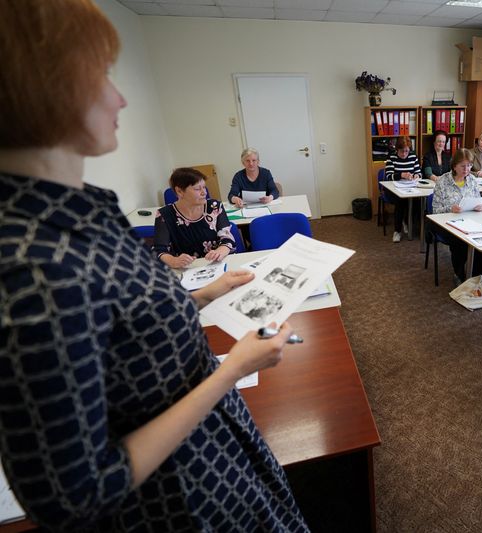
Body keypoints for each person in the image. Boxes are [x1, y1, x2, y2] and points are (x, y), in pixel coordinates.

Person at [0, 2, 307, 531]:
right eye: (100, 76)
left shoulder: (82, 211)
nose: (118, 97)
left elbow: (117, 334)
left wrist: (206, 296)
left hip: (216, 460)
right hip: (179, 502)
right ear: (43, 87)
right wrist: (233, 368)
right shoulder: (30, 265)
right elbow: (75, 495)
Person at [154, 167, 236, 268]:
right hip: (186, 270)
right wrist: (174, 261)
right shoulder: (164, 215)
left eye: (204, 187)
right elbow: (159, 250)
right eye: (197, 189)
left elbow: (227, 238)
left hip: (216, 265)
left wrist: (219, 252)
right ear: (179, 191)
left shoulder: (214, 206)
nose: (204, 192)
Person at [431, 149, 482, 284]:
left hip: (469, 222)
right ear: (454, 165)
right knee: (461, 241)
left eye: (469, 165)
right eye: (463, 166)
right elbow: (435, 210)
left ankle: (480, 277)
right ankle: (459, 273)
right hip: (446, 224)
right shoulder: (443, 181)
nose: (467, 169)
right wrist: (450, 208)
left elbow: (477, 200)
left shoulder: (472, 180)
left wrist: (480, 206)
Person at [385, 136, 421, 243]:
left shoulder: (413, 156)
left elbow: (418, 172)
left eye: (407, 151)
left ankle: (406, 221)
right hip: (394, 189)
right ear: (397, 150)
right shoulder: (392, 157)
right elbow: (388, 176)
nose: (404, 154)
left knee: (417, 202)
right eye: (402, 151)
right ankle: (397, 231)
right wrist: (401, 175)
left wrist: (416, 176)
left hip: (410, 187)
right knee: (400, 202)